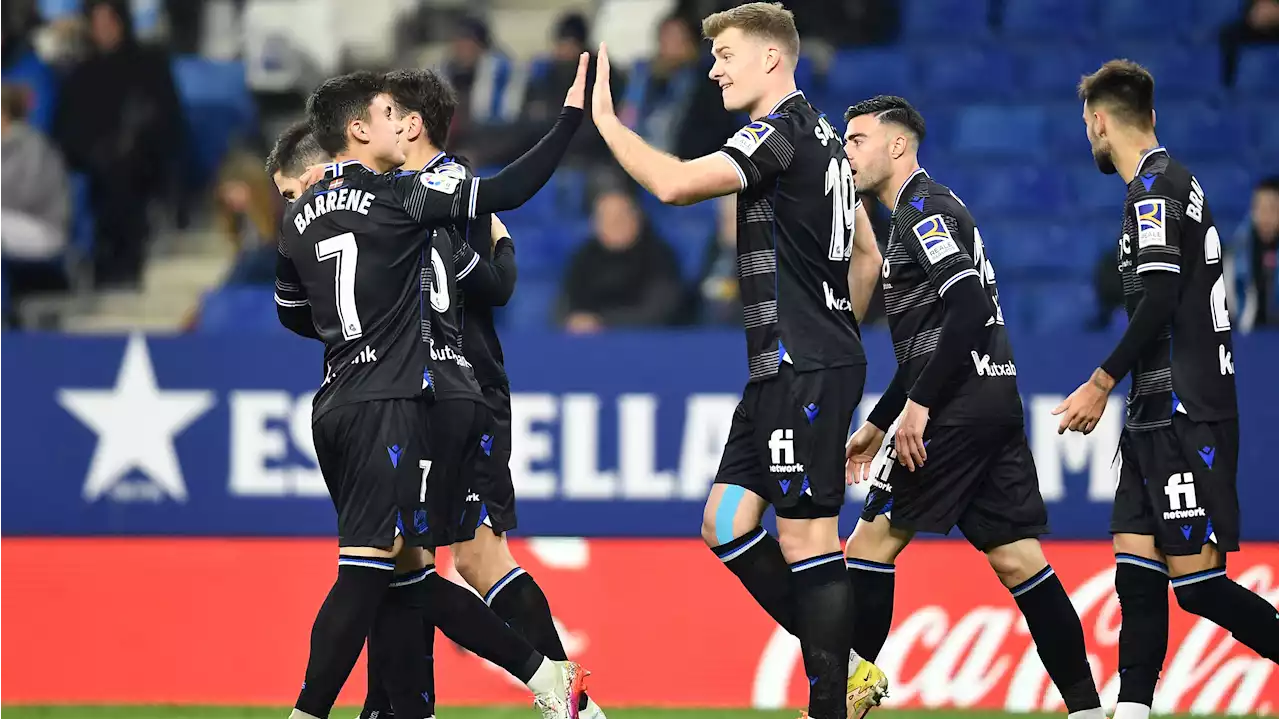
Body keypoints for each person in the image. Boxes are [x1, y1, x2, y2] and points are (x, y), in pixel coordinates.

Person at [589, 4, 883, 717]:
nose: (712, 66)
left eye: (725, 53)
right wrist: (838, 325)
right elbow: (869, 255)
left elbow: (673, 185)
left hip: (802, 361)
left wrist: (606, 123)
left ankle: (833, 703)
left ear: (772, 60)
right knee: (725, 520)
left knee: (806, 534)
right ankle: (847, 667)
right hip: (793, 360)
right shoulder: (823, 137)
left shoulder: (777, 131)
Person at [274, 62, 590, 719]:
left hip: (341, 396)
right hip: (407, 398)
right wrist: (569, 121)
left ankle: (414, 704)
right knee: (385, 573)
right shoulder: (404, 199)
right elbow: (509, 193)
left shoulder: (297, 217)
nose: (400, 124)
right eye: (387, 115)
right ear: (359, 130)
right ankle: (538, 681)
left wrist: (352, 331)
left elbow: (290, 310)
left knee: (406, 572)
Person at [839, 95, 1105, 719]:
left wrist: (920, 409)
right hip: (992, 399)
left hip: (955, 411)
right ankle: (1090, 710)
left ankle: (842, 703)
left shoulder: (923, 211)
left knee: (870, 548)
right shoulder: (924, 210)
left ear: (897, 146)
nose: (847, 153)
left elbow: (966, 308)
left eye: (857, 140)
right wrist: (879, 422)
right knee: (1019, 561)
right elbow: (930, 342)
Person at [1054, 60, 1280, 719]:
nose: (1089, 137)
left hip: (1185, 406)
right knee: (1136, 570)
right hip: (1154, 409)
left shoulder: (1155, 188)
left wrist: (1100, 380)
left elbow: (1157, 298)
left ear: (1100, 122)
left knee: (1200, 585)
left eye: (1087, 126)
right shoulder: (1167, 185)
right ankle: (1133, 708)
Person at [558, 188, 684, 332]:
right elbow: (564, 304)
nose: (614, 224)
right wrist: (573, 321)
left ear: (637, 218)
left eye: (621, 217)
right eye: (606, 218)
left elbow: (660, 310)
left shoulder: (659, 256)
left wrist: (603, 323)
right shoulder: (583, 257)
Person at [1233, 176, 1280, 331]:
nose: (1264, 216)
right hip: (1249, 338)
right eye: (1258, 208)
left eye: (1272, 209)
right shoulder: (1240, 249)